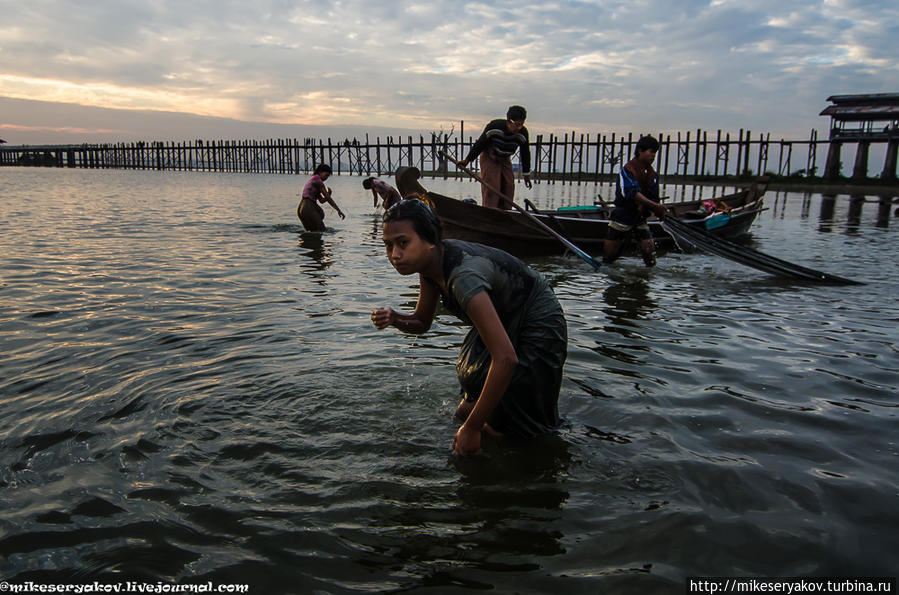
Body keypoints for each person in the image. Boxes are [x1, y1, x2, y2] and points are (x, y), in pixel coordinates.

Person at [371, 199, 567, 456]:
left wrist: (473, 429)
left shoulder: (463, 278)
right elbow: (422, 322)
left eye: (403, 243)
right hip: (506, 313)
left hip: (537, 318)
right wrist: (395, 318)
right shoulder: (429, 264)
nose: (394, 255)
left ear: (430, 240)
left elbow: (506, 358)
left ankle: (526, 458)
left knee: (512, 426)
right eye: (388, 245)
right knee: (467, 400)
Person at [603, 135, 668, 266]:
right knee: (609, 259)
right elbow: (631, 193)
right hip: (623, 216)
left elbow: (654, 197)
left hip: (640, 217)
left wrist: (658, 210)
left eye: (655, 153)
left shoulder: (652, 175)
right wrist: (655, 206)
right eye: (651, 152)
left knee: (650, 254)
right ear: (640, 151)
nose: (653, 156)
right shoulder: (627, 170)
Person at [459, 105, 532, 209]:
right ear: (509, 121)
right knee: (493, 187)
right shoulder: (494, 127)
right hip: (490, 157)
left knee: (509, 186)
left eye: (521, 124)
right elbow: (480, 144)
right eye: (517, 125)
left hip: (505, 158)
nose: (519, 128)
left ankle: (505, 213)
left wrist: (526, 175)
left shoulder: (523, 133)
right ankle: (490, 210)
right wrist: (467, 160)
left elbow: (525, 153)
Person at [297, 164, 346, 232]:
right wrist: (338, 210)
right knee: (322, 230)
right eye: (326, 175)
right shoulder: (318, 181)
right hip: (308, 206)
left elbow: (322, 201)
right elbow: (328, 199)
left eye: (328, 176)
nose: (326, 178)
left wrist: (328, 193)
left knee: (312, 231)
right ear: (320, 172)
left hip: (302, 208)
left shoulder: (313, 180)